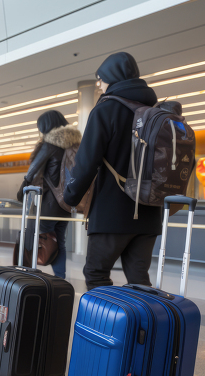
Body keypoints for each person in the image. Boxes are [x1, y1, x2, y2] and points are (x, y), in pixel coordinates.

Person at [63, 52, 162, 290]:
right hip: (148, 213)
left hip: (111, 212)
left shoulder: (106, 109)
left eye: (100, 78)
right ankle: (143, 327)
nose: (98, 84)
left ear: (113, 77)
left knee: (96, 273)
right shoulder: (155, 112)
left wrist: (70, 197)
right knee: (139, 278)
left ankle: (105, 327)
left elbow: (86, 162)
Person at [16, 110, 80, 278]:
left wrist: (21, 191)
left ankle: (27, 276)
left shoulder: (50, 144)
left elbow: (32, 171)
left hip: (48, 205)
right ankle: (61, 278)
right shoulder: (74, 145)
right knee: (59, 242)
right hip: (65, 205)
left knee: (33, 240)